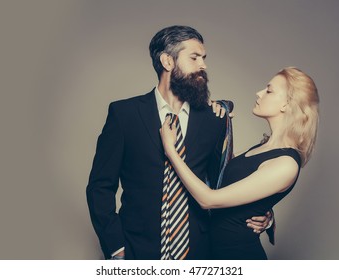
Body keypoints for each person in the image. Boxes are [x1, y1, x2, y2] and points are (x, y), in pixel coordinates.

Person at [86, 25, 271, 260]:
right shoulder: (124, 114)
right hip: (136, 250)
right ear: (167, 61)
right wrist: (116, 247)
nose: (203, 65)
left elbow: (223, 181)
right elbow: (100, 187)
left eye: (204, 58)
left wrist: (262, 214)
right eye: (194, 57)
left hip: (200, 251)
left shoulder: (213, 119)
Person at [160, 67, 319, 259]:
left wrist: (170, 150)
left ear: (287, 104)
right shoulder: (262, 148)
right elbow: (219, 170)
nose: (259, 93)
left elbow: (208, 199)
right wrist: (218, 121)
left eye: (269, 91)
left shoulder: (286, 163)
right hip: (213, 254)